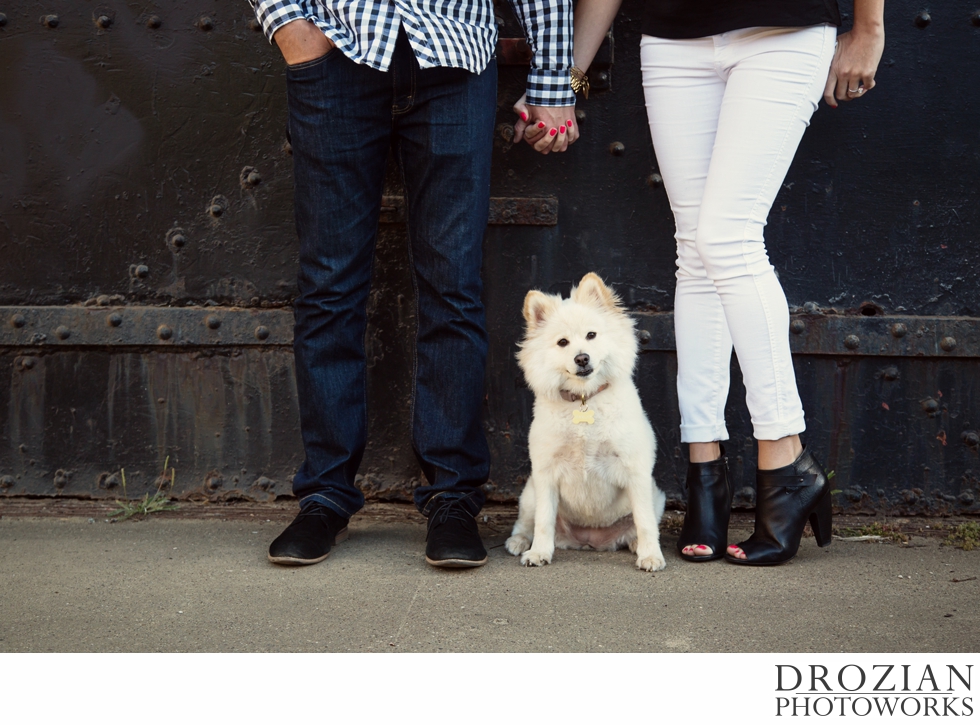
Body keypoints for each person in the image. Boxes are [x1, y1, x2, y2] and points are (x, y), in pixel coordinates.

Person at [515, 0, 885, 565]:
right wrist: (567, 78)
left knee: (727, 238)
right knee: (694, 249)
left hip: (782, 29)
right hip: (672, 39)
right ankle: (705, 474)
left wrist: (869, 27)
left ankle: (786, 464)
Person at [248, 0, 577, 568]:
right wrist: (290, 27)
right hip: (334, 54)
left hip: (455, 60)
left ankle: (453, 497)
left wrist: (552, 77)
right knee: (328, 287)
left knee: (453, 286)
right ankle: (325, 493)